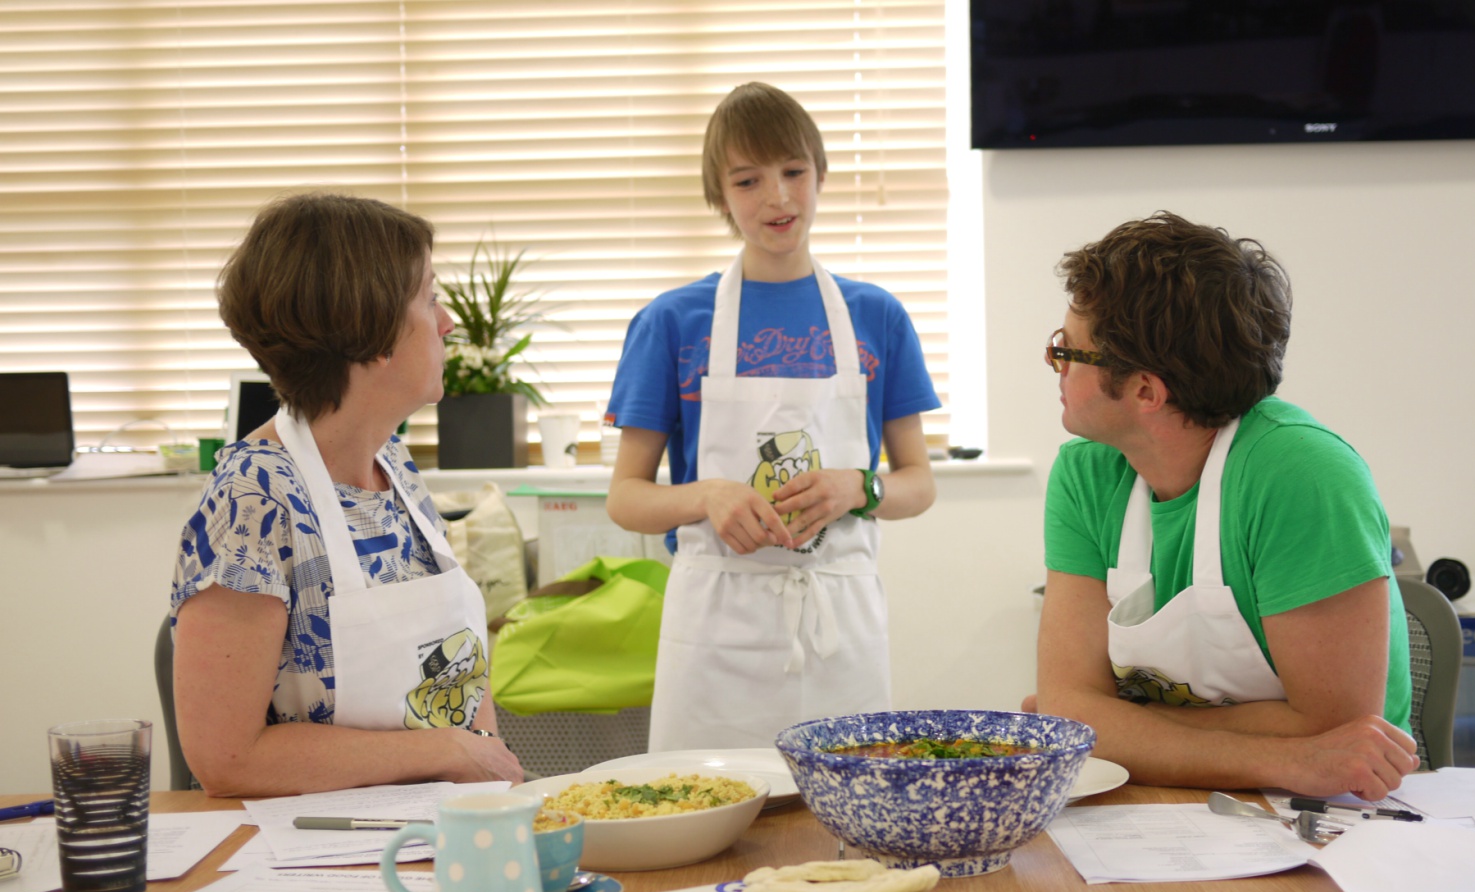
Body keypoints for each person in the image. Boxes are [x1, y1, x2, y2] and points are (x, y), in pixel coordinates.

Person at [1026, 211, 1417, 800]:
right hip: (1167, 803)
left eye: (1068, 352)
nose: (1054, 366)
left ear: (1145, 391)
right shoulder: (1085, 475)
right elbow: (1068, 711)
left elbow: (1337, 734)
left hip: (1328, 814)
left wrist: (1113, 724)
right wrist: (1284, 755)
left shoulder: (1301, 475)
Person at [604, 82, 941, 751]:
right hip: (715, 636)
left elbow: (919, 483)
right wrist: (706, 495)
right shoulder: (671, 322)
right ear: (719, 194)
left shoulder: (878, 317)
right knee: (704, 822)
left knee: (845, 826)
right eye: (748, 180)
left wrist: (859, 487)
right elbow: (625, 499)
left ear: (820, 174)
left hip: (839, 627)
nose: (778, 197)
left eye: (793, 172)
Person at [169, 192, 524, 796]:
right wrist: (445, 750)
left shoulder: (394, 466)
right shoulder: (255, 498)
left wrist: (496, 783)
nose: (447, 322)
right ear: (376, 334)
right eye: (430, 299)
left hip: (439, 825)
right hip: (319, 856)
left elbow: (460, 674)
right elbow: (225, 758)